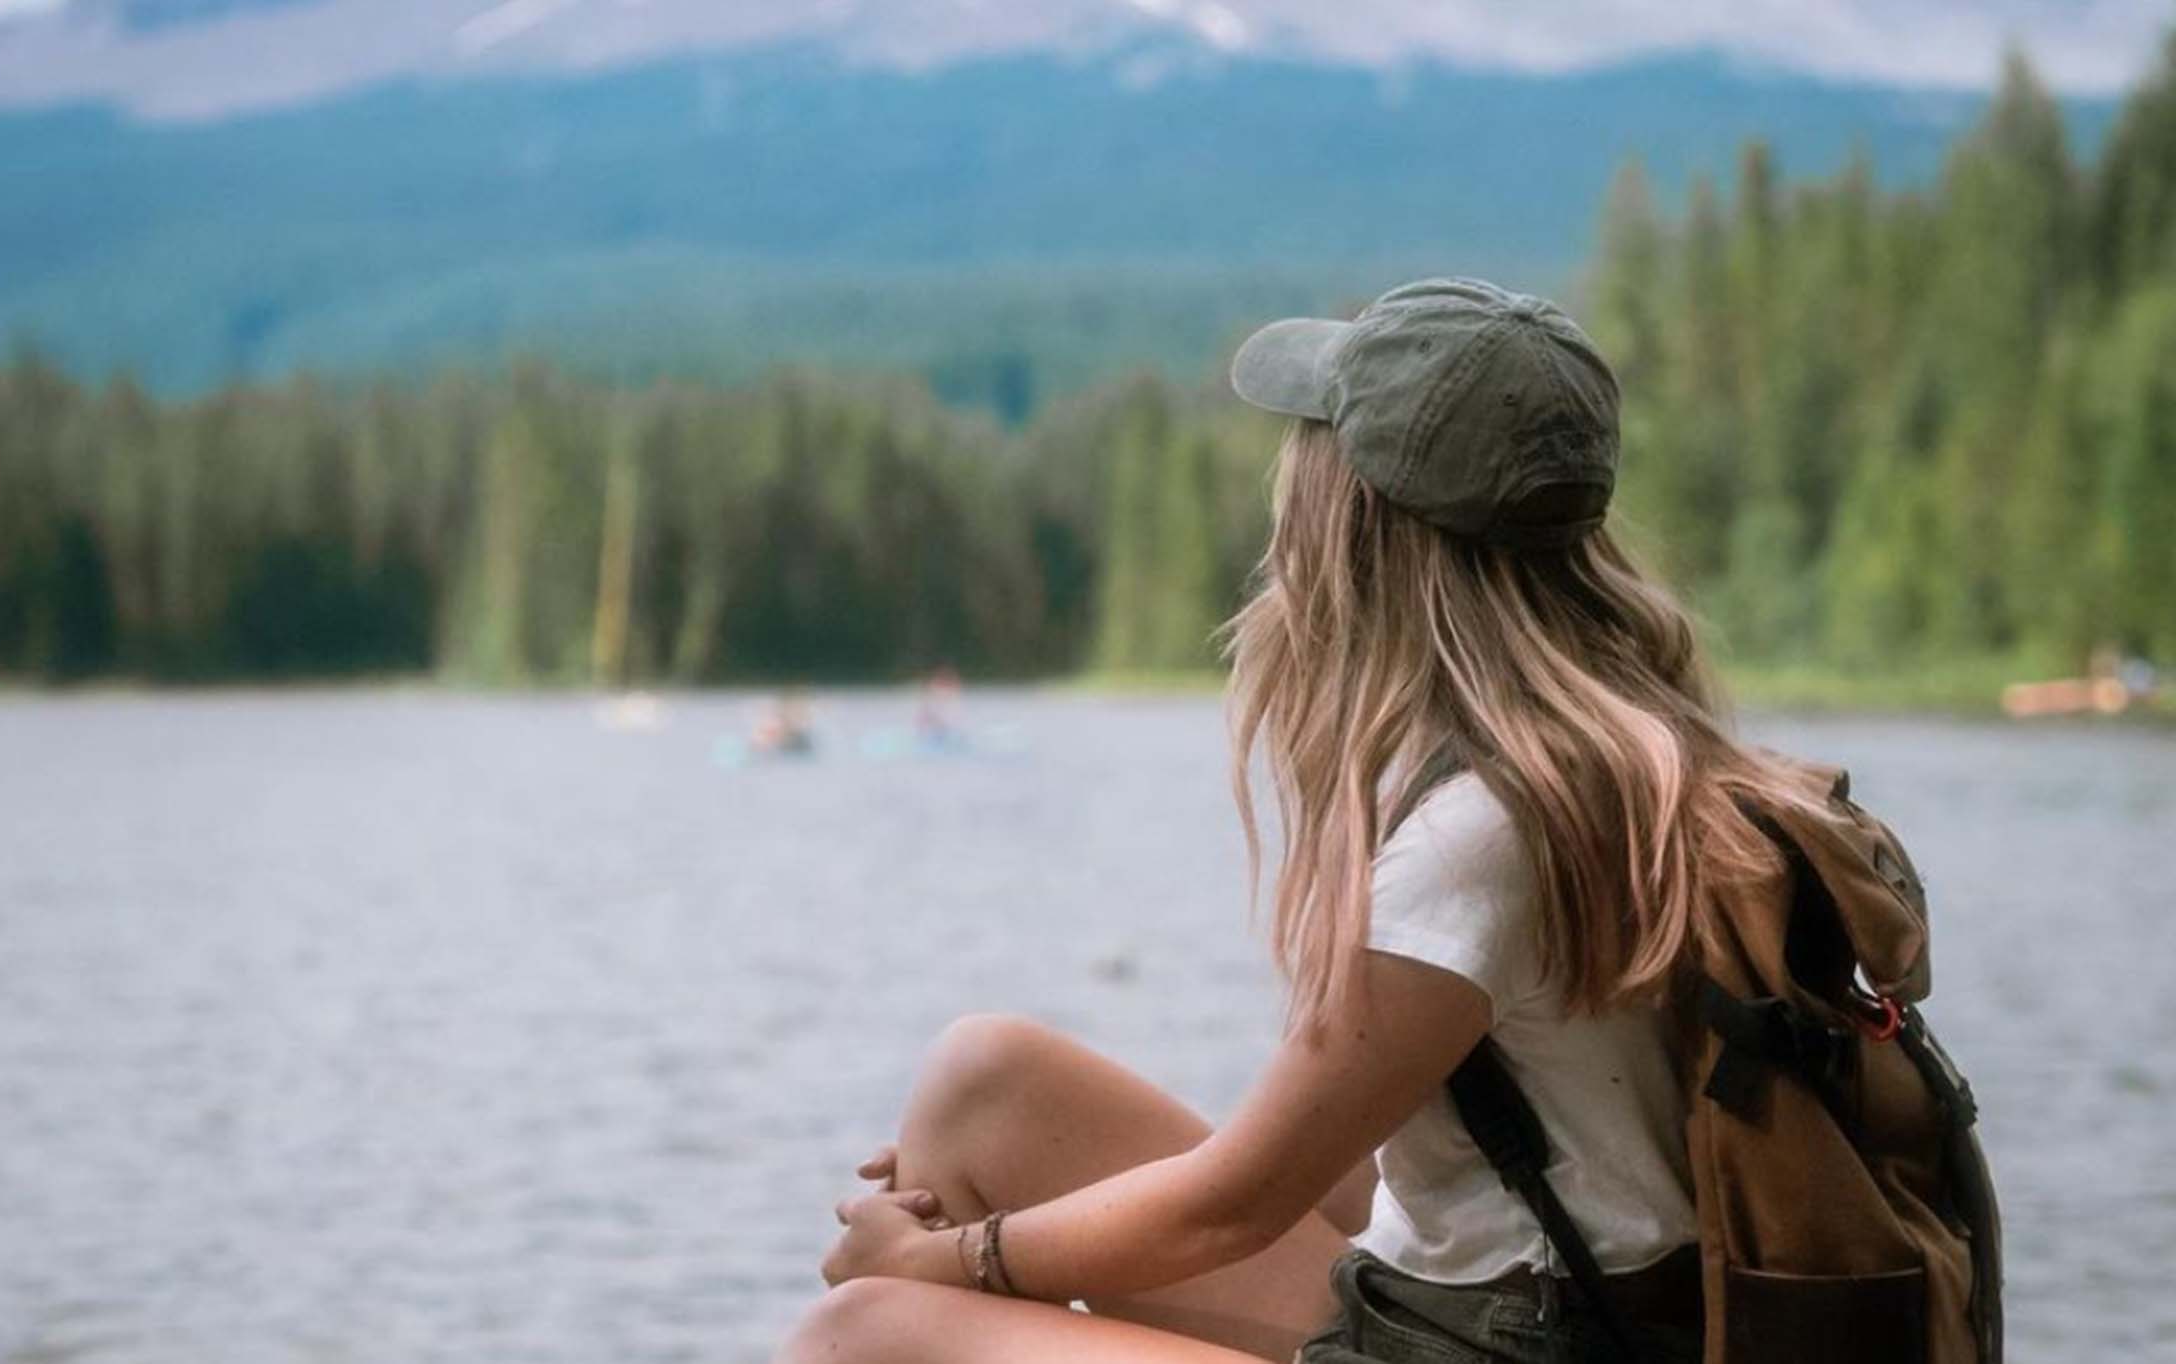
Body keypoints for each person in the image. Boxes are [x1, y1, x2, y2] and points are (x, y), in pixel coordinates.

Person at [777, 279, 1844, 1364]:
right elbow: (1349, 1171)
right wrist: (1013, 1226)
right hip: (1515, 1316)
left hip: (1513, 1343)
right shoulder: (1629, 759)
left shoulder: (1479, 835)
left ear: (1354, 522)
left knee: (865, 1331)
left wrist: (952, 1261)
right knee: (985, 1084)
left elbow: (1232, 1206)